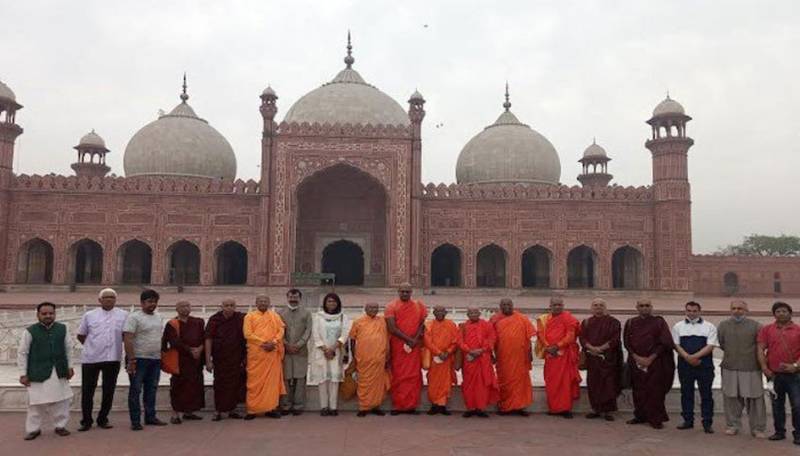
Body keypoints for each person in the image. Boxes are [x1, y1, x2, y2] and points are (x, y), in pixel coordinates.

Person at [18, 302, 74, 440]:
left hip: (59, 370)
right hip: (38, 372)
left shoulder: (63, 329)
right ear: (38, 315)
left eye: (51, 313)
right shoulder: (30, 331)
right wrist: (23, 374)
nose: (48, 316)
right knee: (36, 403)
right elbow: (22, 353)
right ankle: (34, 429)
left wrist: (70, 367)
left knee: (62, 400)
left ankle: (60, 426)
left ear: (54, 314)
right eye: (44, 314)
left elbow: (69, 349)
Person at [76, 288, 128, 431]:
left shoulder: (123, 315)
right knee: (88, 390)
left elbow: (126, 336)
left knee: (108, 390)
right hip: (91, 359)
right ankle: (86, 420)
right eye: (106, 297)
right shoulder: (89, 315)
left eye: (112, 297)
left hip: (112, 358)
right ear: (99, 300)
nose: (109, 299)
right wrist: (92, 346)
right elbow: (81, 335)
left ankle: (103, 418)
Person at [717, 300, 766, 438]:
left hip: (751, 367)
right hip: (730, 366)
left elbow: (761, 347)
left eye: (740, 308)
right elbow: (721, 343)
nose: (737, 311)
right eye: (734, 308)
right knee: (731, 398)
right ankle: (732, 425)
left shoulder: (756, 326)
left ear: (746, 310)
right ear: (730, 309)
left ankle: (757, 428)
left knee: (755, 399)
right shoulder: (723, 325)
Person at [623, 299, 675, 429]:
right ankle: (640, 415)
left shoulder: (659, 322)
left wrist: (651, 358)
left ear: (651, 307)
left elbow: (665, 342)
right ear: (637, 307)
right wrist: (636, 357)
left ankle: (655, 418)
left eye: (647, 305)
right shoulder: (631, 323)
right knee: (638, 390)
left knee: (655, 391)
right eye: (641, 306)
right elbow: (627, 342)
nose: (644, 308)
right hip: (636, 362)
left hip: (655, 362)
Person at [124, 289, 167, 430]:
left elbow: (158, 337)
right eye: (149, 301)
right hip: (138, 359)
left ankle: (150, 416)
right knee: (136, 390)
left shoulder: (159, 317)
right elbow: (128, 339)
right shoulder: (134, 317)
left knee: (151, 389)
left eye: (155, 301)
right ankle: (135, 420)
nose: (152, 304)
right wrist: (131, 360)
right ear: (142, 303)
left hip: (154, 359)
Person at [757, 301, 800, 445]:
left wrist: (795, 366)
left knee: (797, 405)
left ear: (790, 313)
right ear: (774, 314)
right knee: (777, 405)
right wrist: (764, 368)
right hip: (773, 374)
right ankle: (779, 432)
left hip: (795, 375)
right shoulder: (767, 329)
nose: (781, 314)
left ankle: (798, 434)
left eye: (784, 311)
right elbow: (760, 349)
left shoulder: (798, 330)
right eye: (778, 311)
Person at [672, 301, 717, 433]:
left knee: (706, 394)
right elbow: (676, 345)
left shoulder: (709, 326)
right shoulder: (678, 326)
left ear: (699, 311)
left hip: (704, 365)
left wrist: (694, 357)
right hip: (685, 365)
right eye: (689, 311)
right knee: (686, 393)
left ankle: (707, 422)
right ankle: (688, 420)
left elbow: (711, 345)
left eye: (694, 311)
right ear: (685, 311)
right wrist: (687, 357)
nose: (691, 313)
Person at [535, 295, 581, 419]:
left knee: (565, 382)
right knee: (551, 381)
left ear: (563, 306)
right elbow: (540, 334)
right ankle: (554, 408)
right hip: (550, 354)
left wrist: (558, 346)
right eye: (554, 305)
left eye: (560, 305)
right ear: (550, 306)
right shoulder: (543, 319)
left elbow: (570, 335)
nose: (557, 307)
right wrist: (548, 347)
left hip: (565, 355)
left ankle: (565, 408)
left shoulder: (568, 318)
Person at [385, 283, 427, 415]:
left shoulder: (418, 305)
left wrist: (415, 338)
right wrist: (409, 340)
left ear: (411, 292)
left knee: (413, 376)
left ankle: (411, 406)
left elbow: (422, 324)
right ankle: (398, 405)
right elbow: (392, 328)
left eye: (407, 292)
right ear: (398, 291)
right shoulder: (391, 306)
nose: (405, 294)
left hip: (414, 346)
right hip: (398, 346)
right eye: (402, 291)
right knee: (398, 375)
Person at [579, 298, 622, 421]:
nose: (598, 307)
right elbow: (582, 338)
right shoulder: (587, 322)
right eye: (596, 305)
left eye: (601, 305)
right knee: (594, 383)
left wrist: (601, 348)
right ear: (592, 308)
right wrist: (592, 348)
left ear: (605, 307)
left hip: (608, 358)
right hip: (592, 358)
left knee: (609, 383)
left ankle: (608, 410)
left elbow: (615, 339)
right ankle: (596, 409)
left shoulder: (613, 322)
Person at [308, 293, 351, 416]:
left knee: (334, 380)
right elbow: (315, 334)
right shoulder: (318, 317)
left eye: (334, 301)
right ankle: (324, 406)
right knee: (322, 379)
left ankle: (333, 407)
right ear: (325, 303)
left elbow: (345, 334)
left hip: (336, 352)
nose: (331, 303)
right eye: (329, 301)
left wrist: (333, 348)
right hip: (321, 352)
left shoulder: (343, 317)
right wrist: (325, 349)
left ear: (338, 303)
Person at [490, 298, 535, 416]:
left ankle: (519, 407)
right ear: (500, 306)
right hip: (503, 356)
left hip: (520, 356)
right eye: (504, 304)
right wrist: (490, 354)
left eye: (509, 304)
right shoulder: (494, 319)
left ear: (512, 305)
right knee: (504, 381)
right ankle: (505, 407)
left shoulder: (522, 318)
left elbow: (528, 337)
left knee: (520, 381)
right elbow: (489, 338)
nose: (506, 306)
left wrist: (529, 354)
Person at [243, 295, 286, 420]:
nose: (263, 303)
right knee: (254, 383)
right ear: (256, 303)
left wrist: (274, 341)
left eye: (265, 301)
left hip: (272, 352)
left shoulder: (274, 316)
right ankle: (252, 410)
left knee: (271, 383)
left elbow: (281, 329)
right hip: (257, 355)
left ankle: (271, 408)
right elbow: (247, 334)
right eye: (260, 301)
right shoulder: (249, 316)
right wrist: (263, 343)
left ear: (269, 303)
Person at [163, 301, 205, 424]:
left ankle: (189, 411)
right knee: (178, 386)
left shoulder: (198, 322)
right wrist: (190, 350)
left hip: (196, 360)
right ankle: (175, 413)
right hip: (180, 360)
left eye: (188, 306)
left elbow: (205, 337)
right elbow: (173, 341)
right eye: (182, 306)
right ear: (176, 309)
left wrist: (200, 349)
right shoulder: (172, 324)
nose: (185, 308)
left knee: (194, 385)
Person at [205, 298, 246, 421]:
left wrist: (245, 357)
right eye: (226, 305)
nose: (229, 308)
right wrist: (208, 360)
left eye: (232, 305)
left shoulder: (240, 318)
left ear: (235, 307)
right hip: (220, 358)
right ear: (221, 306)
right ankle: (218, 410)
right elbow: (208, 339)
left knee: (235, 384)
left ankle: (232, 409)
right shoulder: (214, 319)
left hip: (236, 357)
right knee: (219, 384)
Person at [349, 302, 390, 417]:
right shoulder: (358, 322)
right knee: (364, 382)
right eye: (371, 307)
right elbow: (352, 339)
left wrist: (388, 355)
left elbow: (387, 339)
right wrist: (353, 355)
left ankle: (376, 406)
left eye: (376, 308)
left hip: (379, 358)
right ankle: (363, 407)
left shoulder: (382, 321)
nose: (373, 310)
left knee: (378, 384)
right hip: (363, 358)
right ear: (365, 309)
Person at [277, 288, 312, 416]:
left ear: (300, 298)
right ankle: (286, 405)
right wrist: (286, 345)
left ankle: (298, 405)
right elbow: (278, 332)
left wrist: (299, 344)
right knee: (286, 378)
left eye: (295, 297)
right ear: (287, 298)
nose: (293, 299)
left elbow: (308, 330)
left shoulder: (306, 313)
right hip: (285, 351)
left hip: (300, 351)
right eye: (291, 297)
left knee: (300, 378)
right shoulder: (280, 313)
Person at [459, 306, 498, 418]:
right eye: (471, 313)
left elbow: (492, 339)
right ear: (467, 315)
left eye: (475, 312)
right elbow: (460, 341)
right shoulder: (463, 326)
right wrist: (469, 351)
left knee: (482, 384)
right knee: (468, 384)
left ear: (479, 314)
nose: (473, 315)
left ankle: (481, 408)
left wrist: (481, 350)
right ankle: (470, 408)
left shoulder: (487, 325)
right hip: (469, 359)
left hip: (483, 358)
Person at [423, 305, 459, 415]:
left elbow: (455, 340)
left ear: (445, 313)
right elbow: (427, 341)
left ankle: (442, 406)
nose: (439, 313)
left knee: (446, 382)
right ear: (433, 313)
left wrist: (447, 352)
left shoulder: (451, 325)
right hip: (434, 358)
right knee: (433, 381)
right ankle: (434, 405)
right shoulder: (429, 325)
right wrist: (438, 353)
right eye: (437, 311)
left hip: (447, 358)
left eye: (441, 311)